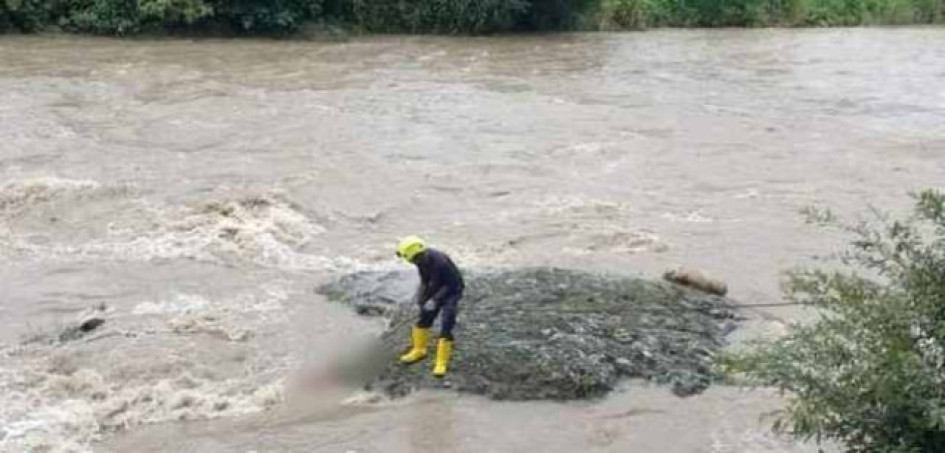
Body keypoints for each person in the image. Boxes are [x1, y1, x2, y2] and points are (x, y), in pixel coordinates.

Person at [395, 236, 464, 378]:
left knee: (447, 322)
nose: (413, 262)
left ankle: (441, 362)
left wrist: (434, 300)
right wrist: (422, 297)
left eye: (414, 260)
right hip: (436, 288)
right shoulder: (421, 260)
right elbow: (425, 280)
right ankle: (419, 350)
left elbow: (452, 284)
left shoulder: (441, 262)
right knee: (423, 318)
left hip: (452, 290)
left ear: (419, 254)